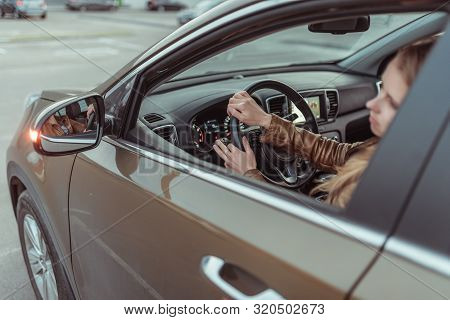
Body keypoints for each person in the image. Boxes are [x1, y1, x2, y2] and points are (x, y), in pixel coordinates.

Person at [213, 37, 436, 208]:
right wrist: (265, 120)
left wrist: (249, 176)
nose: (372, 104)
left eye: (392, 102)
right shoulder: (397, 153)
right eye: (382, 88)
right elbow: (338, 154)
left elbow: (298, 238)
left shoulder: (380, 186)